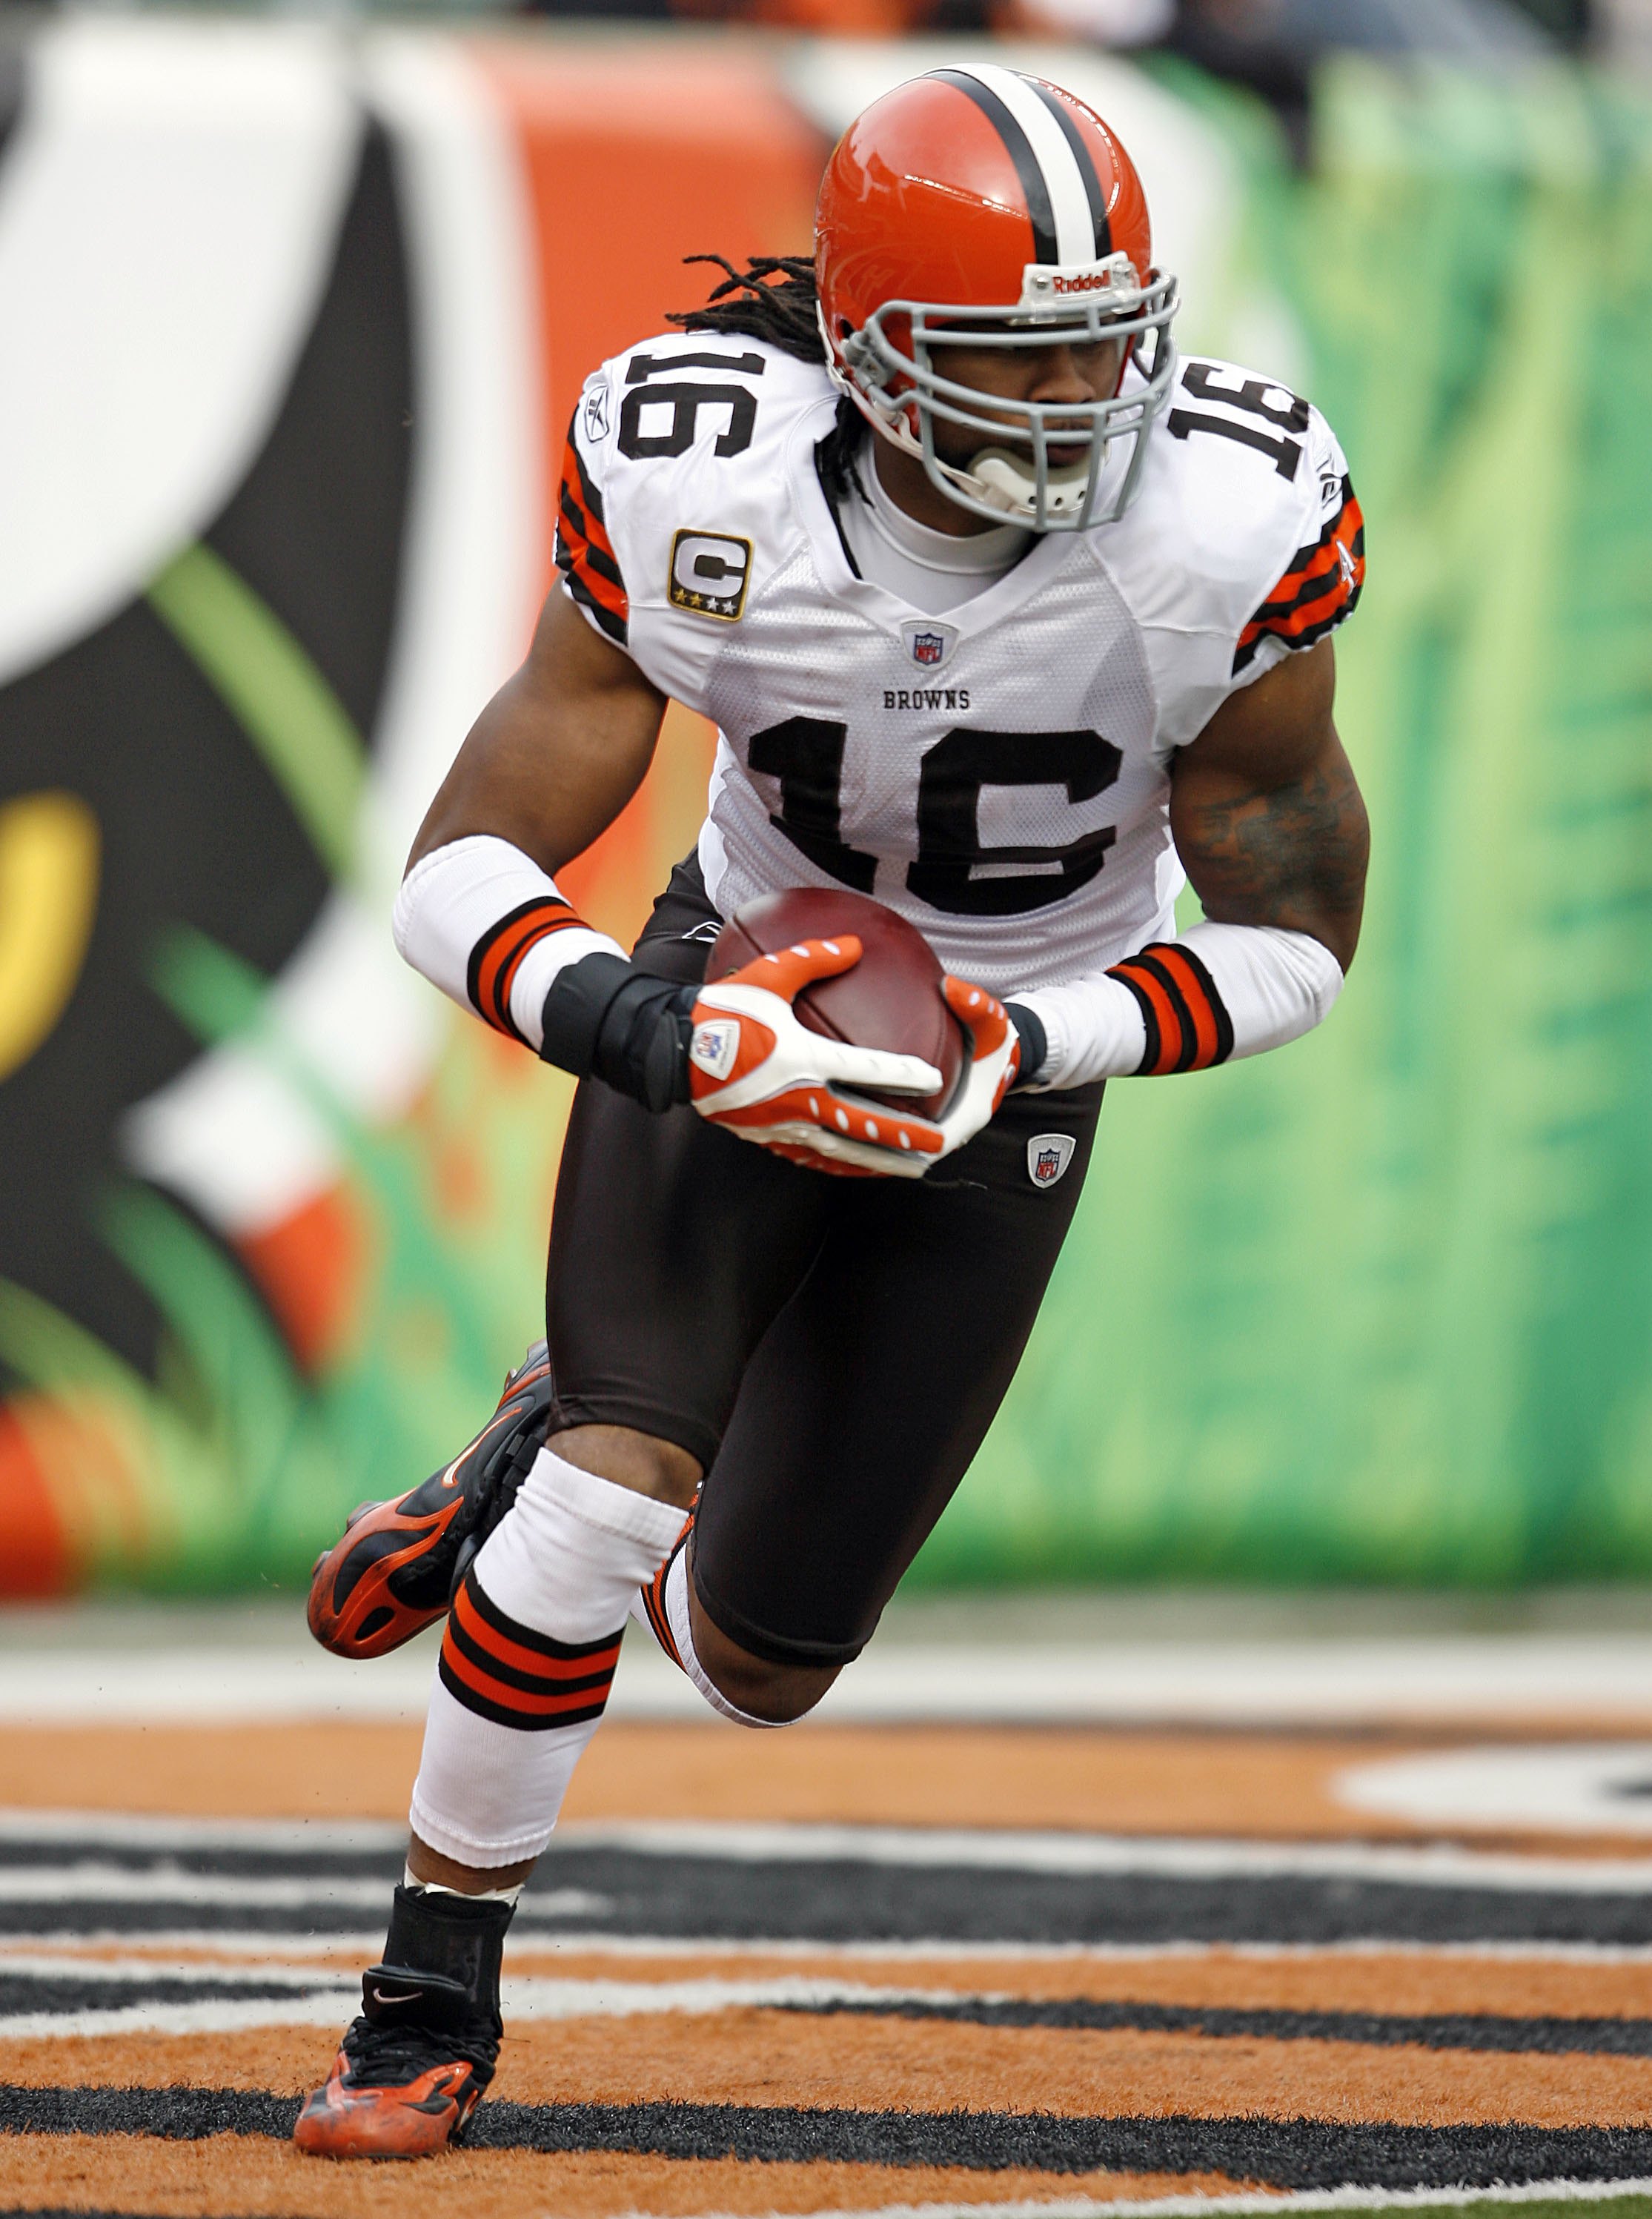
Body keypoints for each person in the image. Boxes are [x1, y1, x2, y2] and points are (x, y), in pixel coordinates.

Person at [295, 62, 1369, 2157]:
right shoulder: (706, 473)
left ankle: (534, 1427)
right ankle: (421, 2004)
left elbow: (1303, 941)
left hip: (1022, 1045)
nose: (1079, 399)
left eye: (1106, 343)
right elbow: (457, 870)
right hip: (743, 974)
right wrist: (664, 1032)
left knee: (764, 1659)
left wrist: (1024, 1047)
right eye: (1013, 354)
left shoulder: (1226, 523)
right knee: (610, 1505)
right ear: (870, 352)